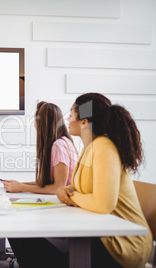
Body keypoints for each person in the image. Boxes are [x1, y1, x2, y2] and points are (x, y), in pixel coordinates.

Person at [55, 93, 153, 267]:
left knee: (35, 241)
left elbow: (103, 204)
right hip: (103, 231)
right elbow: (81, 186)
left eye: (71, 114)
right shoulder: (89, 147)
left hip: (125, 244)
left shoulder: (103, 147)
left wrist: (72, 197)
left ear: (84, 121)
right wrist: (66, 189)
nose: (67, 119)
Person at [2, 101, 78, 194]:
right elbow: (48, 183)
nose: (34, 124)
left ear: (41, 123)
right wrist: (19, 184)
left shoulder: (59, 145)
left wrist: (22, 187)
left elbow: (58, 188)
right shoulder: (62, 142)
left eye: (35, 120)